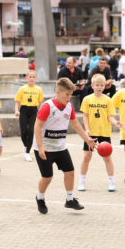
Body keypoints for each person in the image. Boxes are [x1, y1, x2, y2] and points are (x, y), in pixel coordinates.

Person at [33, 78, 96, 214]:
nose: (69, 97)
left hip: (60, 147)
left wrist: (87, 139)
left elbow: (75, 124)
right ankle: (40, 198)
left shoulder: (69, 107)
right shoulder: (47, 106)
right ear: (58, 92)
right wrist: (40, 147)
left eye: (71, 94)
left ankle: (70, 199)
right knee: (47, 177)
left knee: (70, 172)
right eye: (67, 94)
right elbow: (37, 127)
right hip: (45, 148)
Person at [79, 74, 116, 192]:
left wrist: (116, 122)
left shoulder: (108, 100)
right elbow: (85, 116)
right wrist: (87, 129)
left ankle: (111, 182)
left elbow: (110, 116)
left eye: (101, 85)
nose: (99, 87)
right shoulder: (87, 99)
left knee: (107, 158)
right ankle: (81, 182)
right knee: (86, 157)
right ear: (92, 85)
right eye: (97, 85)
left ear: (105, 86)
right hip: (91, 132)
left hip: (104, 132)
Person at [14, 70, 44, 162]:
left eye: (33, 77)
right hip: (24, 110)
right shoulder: (22, 89)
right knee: (24, 131)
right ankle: (25, 146)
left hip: (34, 110)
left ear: (36, 79)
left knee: (31, 131)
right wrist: (16, 110)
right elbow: (17, 102)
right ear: (26, 78)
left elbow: (40, 103)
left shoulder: (38, 89)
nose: (31, 78)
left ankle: (27, 152)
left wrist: (41, 112)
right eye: (30, 77)